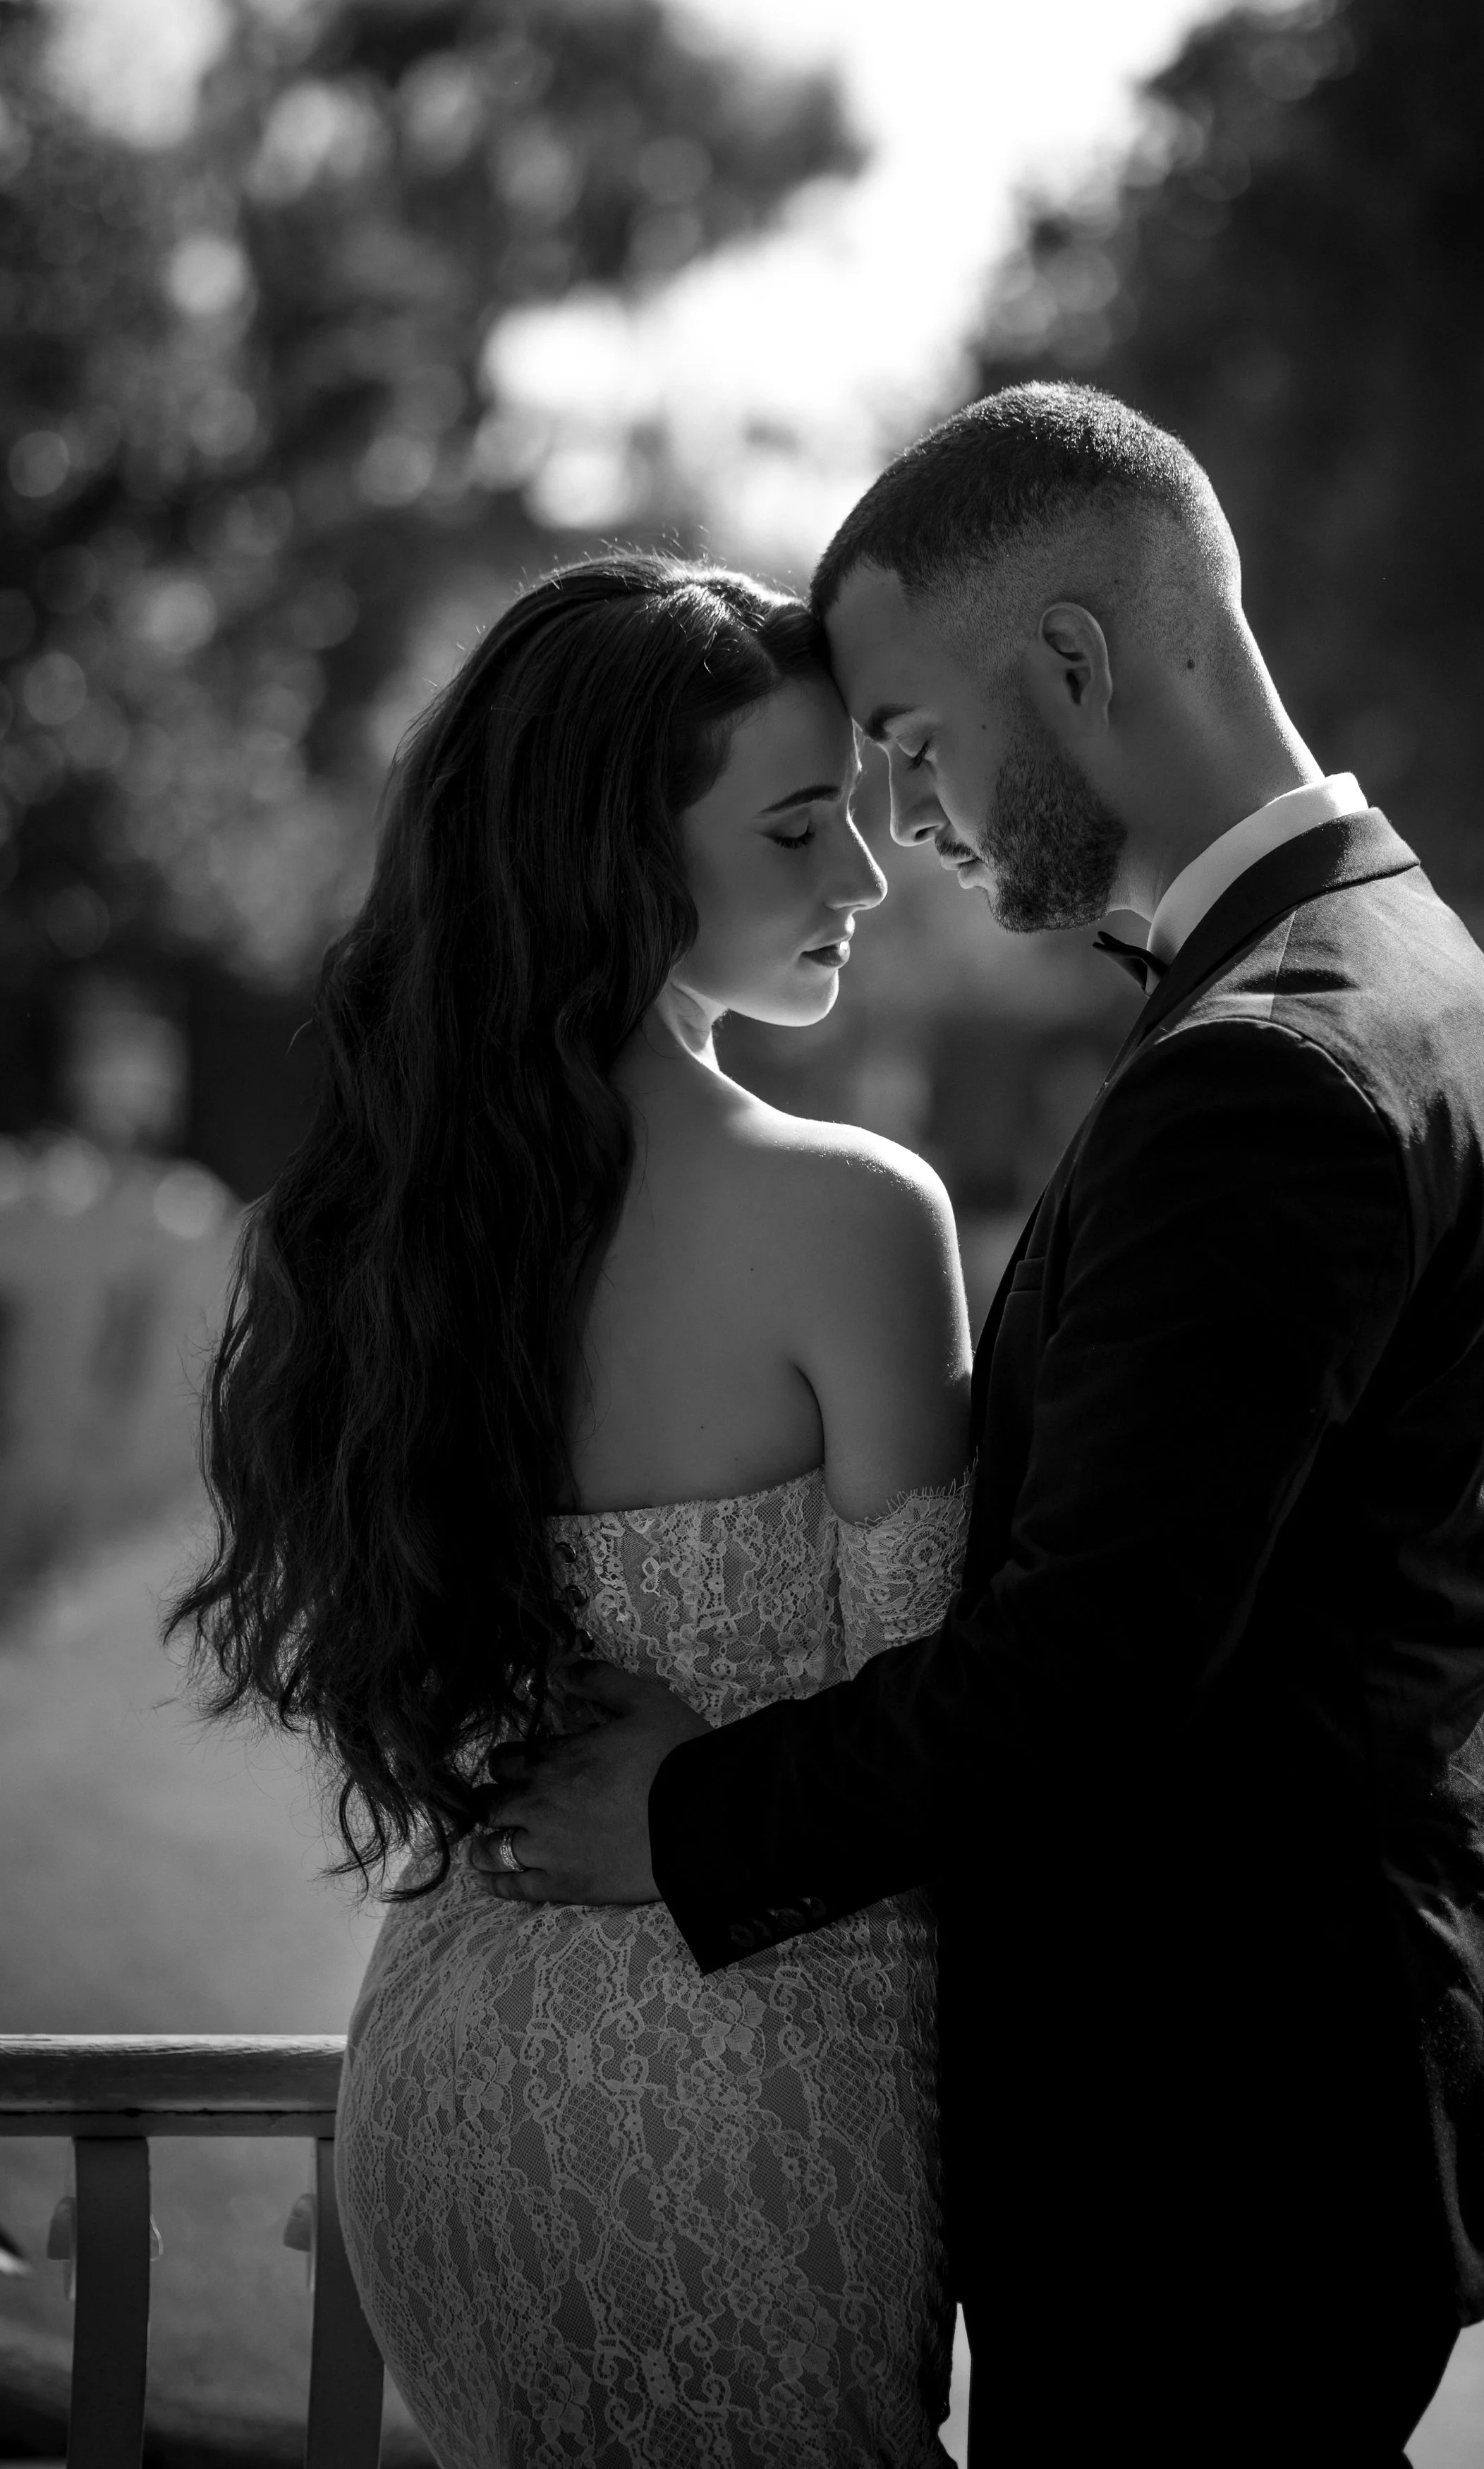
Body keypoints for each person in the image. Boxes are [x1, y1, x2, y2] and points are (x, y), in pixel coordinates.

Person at [480, 386, 1484, 2463]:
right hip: (1310, 2150)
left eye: (903, 740)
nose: (903, 818)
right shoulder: (1423, 982)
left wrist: (687, 1823)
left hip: (1207, 2184)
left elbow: (1085, 1670)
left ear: (1069, 663)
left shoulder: (1273, 1075)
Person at [170, 556, 978, 2465]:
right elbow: (949, 1723)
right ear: (609, 860)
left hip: (439, 2093)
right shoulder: (854, 1214)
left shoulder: (374, 1235)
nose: (862, 877)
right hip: (749, 2095)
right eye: (799, 823)